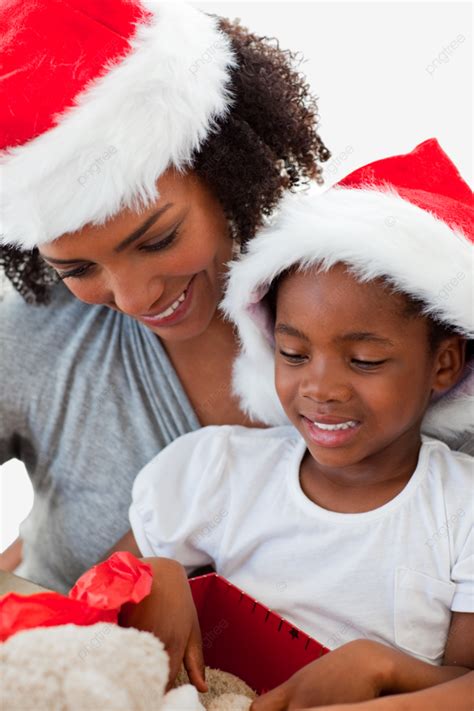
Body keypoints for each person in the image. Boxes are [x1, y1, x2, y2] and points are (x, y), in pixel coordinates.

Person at [113, 140, 474, 703]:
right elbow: (91, 593)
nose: (321, 389)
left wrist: (380, 668)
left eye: (365, 361)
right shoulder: (220, 470)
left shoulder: (462, 510)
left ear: (443, 364)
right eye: (294, 354)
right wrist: (155, 573)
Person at [0, 0, 329, 591]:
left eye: (157, 240)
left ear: (225, 170)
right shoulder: (34, 335)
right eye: (76, 266)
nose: (131, 297)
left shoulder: (368, 302)